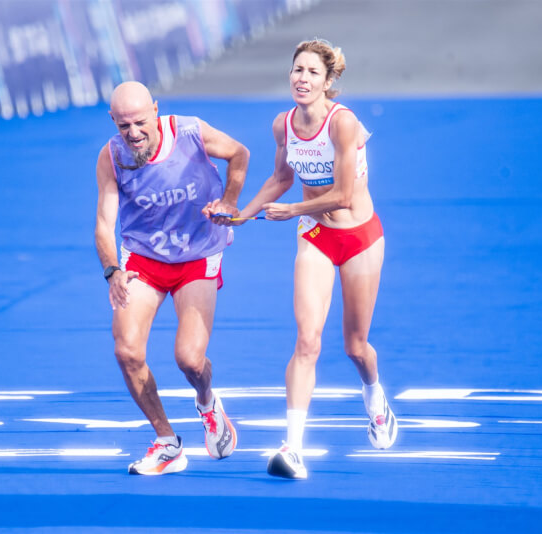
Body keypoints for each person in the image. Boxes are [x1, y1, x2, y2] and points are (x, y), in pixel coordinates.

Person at [207, 39, 398, 479]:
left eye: (312, 72)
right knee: (307, 341)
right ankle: (292, 448)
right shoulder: (284, 124)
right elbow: (281, 177)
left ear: (328, 82)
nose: (302, 79)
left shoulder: (343, 124)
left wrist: (292, 209)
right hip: (315, 235)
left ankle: (374, 397)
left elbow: (345, 196)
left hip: (360, 238)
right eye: (297, 70)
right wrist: (241, 214)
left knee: (355, 347)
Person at [95, 81, 249, 475]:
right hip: (144, 257)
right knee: (127, 351)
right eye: (123, 125)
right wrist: (113, 270)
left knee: (190, 360)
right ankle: (167, 442)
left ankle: (208, 402)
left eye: (140, 123)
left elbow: (239, 154)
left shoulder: (190, 132)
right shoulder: (111, 157)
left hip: (198, 252)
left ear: (156, 111)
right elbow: (103, 224)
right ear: (113, 121)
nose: (133, 133)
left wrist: (230, 200)